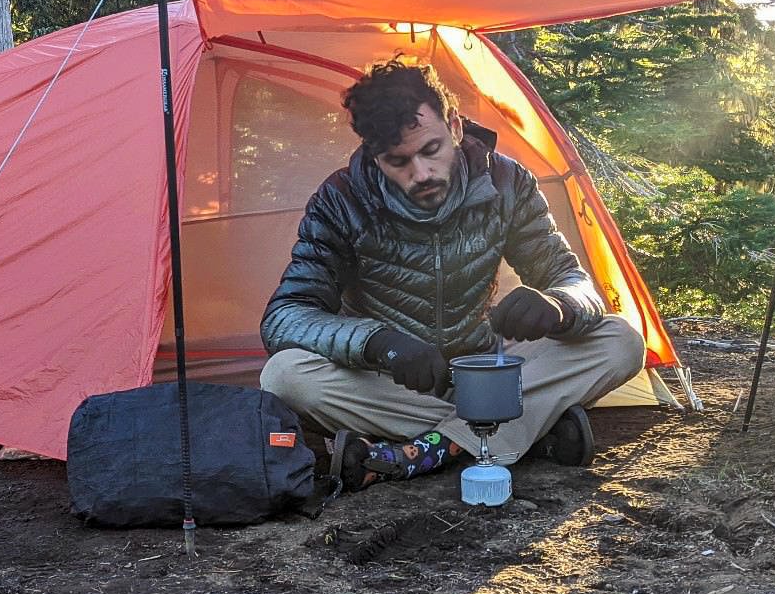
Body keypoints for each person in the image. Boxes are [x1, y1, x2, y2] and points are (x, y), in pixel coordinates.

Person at [259, 58, 644, 492]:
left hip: (487, 368)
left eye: (431, 150)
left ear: (456, 127)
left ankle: (423, 451)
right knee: (285, 374)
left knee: (620, 340)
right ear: (374, 155)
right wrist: (378, 343)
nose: (421, 174)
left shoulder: (507, 182)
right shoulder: (341, 199)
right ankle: (522, 432)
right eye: (398, 161)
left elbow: (572, 279)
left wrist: (559, 306)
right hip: (395, 383)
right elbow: (284, 318)